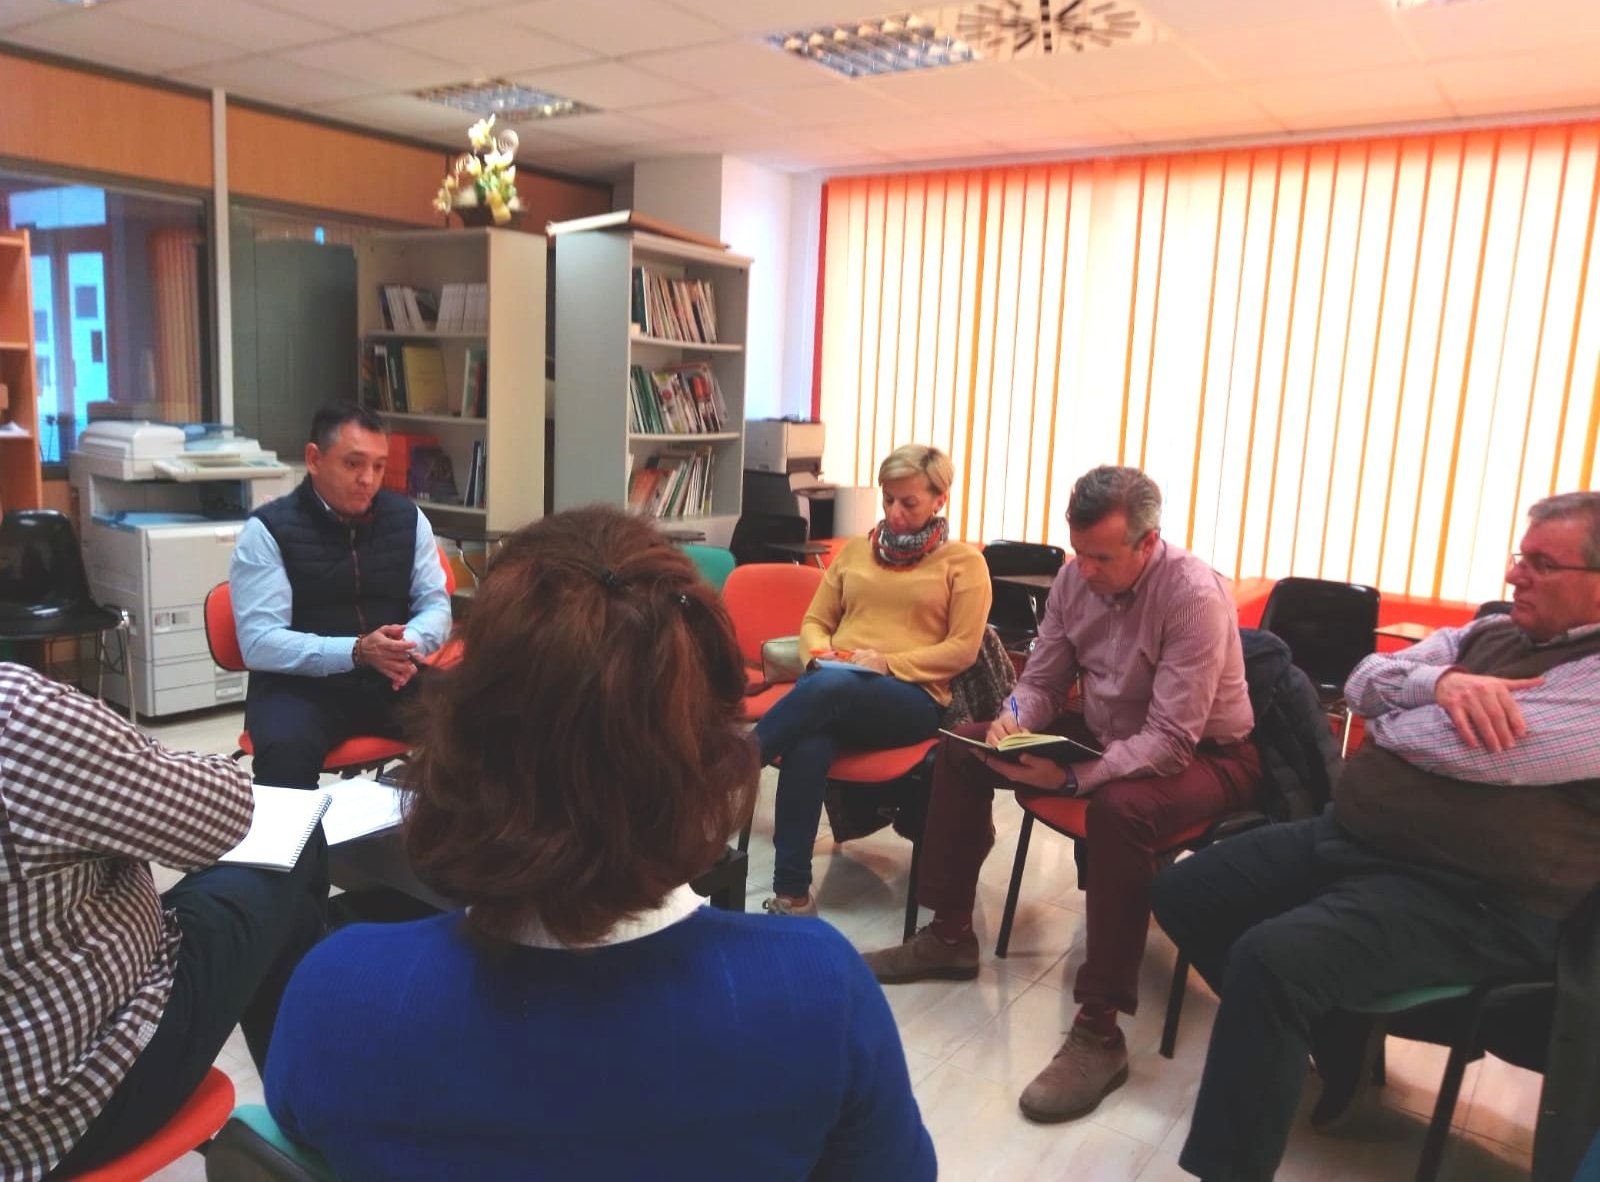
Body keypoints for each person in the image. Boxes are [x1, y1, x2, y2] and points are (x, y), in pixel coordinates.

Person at [263, 507, 936, 1182]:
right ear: (706, 753)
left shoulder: (340, 992)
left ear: (460, 738)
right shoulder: (816, 992)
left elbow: (301, 1128)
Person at [1151, 491, 1600, 1182]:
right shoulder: (1491, 631)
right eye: (1520, 556)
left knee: (1273, 961)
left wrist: (1400, 718)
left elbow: (1485, 751)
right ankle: (1336, 1036)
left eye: (1542, 563)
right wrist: (1443, 684)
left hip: (1477, 898)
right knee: (1185, 891)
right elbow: (1363, 681)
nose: (1516, 575)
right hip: (1357, 839)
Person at [862, 464, 1260, 1123]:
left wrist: (1072, 777)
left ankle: (1099, 1029)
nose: (1086, 571)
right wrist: (1015, 714)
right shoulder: (1078, 577)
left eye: (1103, 557)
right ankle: (950, 933)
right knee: (966, 746)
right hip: (1107, 730)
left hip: (1209, 755)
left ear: (1148, 543)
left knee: (1119, 808)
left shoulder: (1193, 595)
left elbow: (1169, 740)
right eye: (1079, 553)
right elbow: (1045, 677)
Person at [0, 666, 326, 1181]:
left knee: (290, 914)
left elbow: (428, 620)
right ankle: (316, 1130)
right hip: (59, 1110)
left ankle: (306, 1121)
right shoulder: (17, 714)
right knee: (296, 838)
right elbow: (223, 812)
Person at [754, 443, 991, 916]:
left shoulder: (964, 564)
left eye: (909, 502)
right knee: (810, 742)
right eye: (888, 500)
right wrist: (818, 657)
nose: (895, 512)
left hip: (913, 699)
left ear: (940, 499)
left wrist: (888, 663)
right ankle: (792, 894)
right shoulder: (857, 551)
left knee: (829, 694)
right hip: (834, 688)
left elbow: (961, 650)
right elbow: (814, 622)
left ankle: (736, 763)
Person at [230, 401, 451, 790]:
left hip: (393, 679)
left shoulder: (408, 519)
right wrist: (357, 651)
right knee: (285, 754)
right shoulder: (268, 531)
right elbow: (260, 643)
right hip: (300, 688)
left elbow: (434, 603)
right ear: (314, 459)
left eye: (379, 466)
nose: (368, 478)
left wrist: (401, 648)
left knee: (486, 716)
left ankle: (450, 843)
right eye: (353, 464)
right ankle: (299, 851)